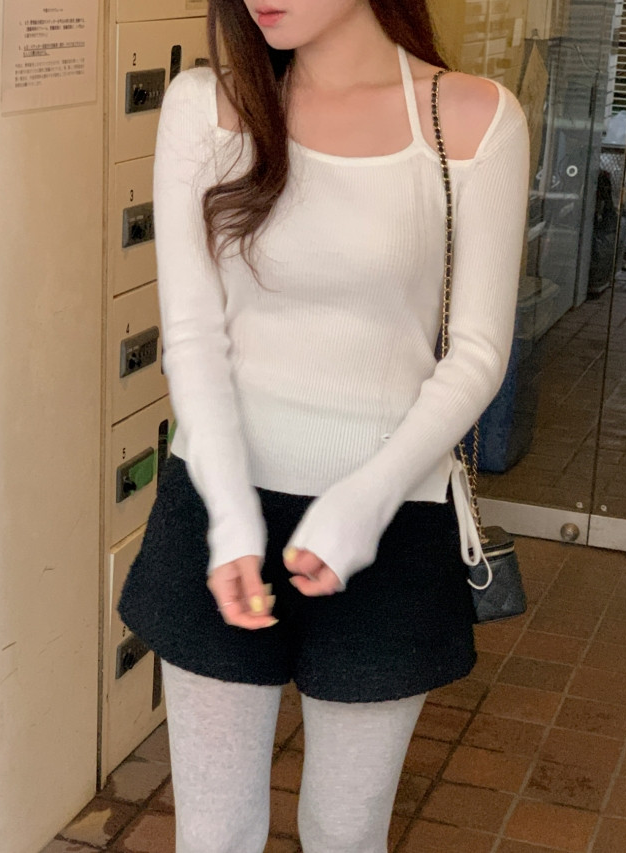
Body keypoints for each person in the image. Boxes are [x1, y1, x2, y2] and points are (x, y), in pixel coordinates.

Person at [118, 1, 530, 851]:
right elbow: (192, 333)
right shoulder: (207, 106)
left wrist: (362, 502)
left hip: (394, 519)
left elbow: (478, 352)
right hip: (218, 508)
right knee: (214, 835)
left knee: (346, 832)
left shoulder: (472, 119)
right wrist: (231, 516)